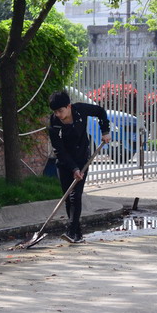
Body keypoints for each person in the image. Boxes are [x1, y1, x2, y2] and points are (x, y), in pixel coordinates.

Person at [48, 90, 110, 243]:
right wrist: (73, 168)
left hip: (82, 159)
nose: (58, 114)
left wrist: (105, 131)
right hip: (64, 162)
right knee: (68, 197)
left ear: (68, 106)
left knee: (76, 196)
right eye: (55, 112)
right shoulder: (54, 123)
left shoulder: (81, 110)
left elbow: (101, 112)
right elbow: (59, 150)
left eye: (60, 111)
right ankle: (78, 234)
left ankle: (70, 231)